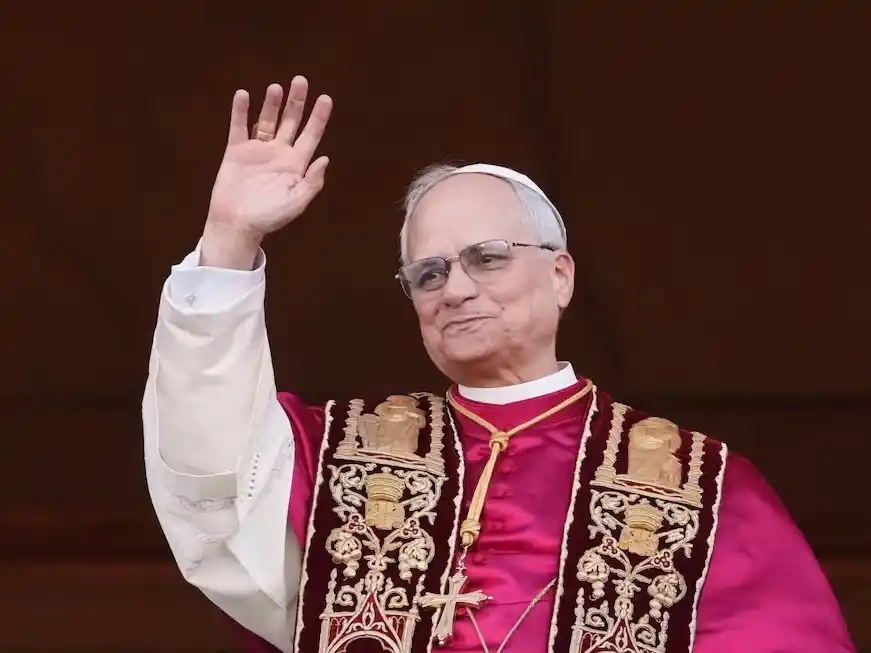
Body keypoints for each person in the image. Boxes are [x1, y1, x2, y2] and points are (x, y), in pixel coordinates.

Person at [142, 76, 856, 653]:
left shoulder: (696, 484)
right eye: (427, 273)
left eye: (486, 257)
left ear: (561, 275)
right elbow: (210, 469)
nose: (454, 287)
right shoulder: (339, 455)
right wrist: (229, 239)